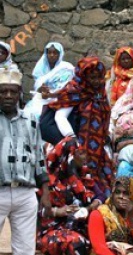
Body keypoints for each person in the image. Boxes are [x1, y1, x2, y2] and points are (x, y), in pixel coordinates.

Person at [0, 68, 49, 255]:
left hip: (25, 192)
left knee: (25, 251)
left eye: (12, 91)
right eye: (3, 91)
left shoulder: (31, 119)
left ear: (20, 94)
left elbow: (39, 157)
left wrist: (47, 192)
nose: (7, 95)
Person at [49, 56, 114, 196]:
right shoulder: (74, 91)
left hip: (97, 149)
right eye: (92, 77)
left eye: (98, 77)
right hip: (78, 147)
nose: (96, 81)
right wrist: (72, 139)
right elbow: (60, 116)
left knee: (101, 184)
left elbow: (106, 116)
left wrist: (107, 135)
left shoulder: (100, 94)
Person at [37, 137, 104, 255]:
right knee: (76, 243)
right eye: (80, 153)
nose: (85, 157)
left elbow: (101, 195)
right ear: (68, 156)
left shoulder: (83, 174)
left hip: (78, 224)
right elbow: (36, 211)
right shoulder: (47, 181)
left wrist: (90, 207)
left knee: (104, 237)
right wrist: (59, 211)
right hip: (53, 229)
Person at [24, 42, 74, 120]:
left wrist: (51, 94)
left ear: (60, 54)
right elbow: (38, 88)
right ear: (46, 54)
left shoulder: (66, 68)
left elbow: (66, 87)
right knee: (30, 113)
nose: (52, 55)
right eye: (49, 52)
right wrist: (42, 89)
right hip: (43, 97)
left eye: (55, 53)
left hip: (60, 97)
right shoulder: (41, 68)